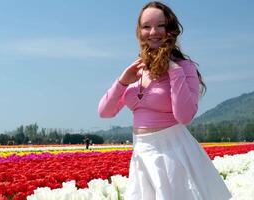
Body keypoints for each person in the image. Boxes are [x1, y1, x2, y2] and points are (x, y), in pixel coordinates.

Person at [98, 1, 232, 200]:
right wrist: (123, 81)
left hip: (174, 154)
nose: (153, 32)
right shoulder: (137, 69)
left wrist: (174, 71)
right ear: (139, 31)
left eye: (160, 25)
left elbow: (184, 116)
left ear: (171, 30)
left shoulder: (183, 68)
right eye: (146, 26)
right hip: (141, 154)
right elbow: (104, 112)